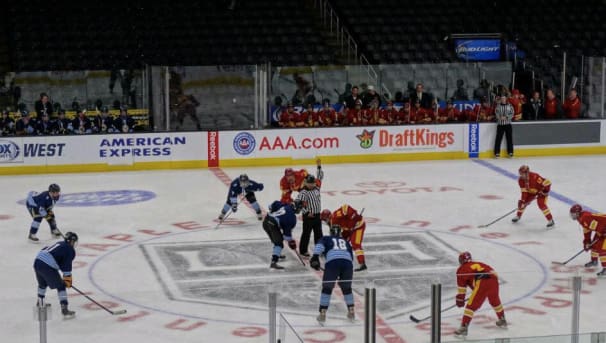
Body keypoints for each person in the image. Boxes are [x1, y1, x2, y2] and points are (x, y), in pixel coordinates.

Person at [453, 251, 507, 338]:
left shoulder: (461, 270)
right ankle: (502, 319)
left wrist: (460, 300)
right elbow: (494, 273)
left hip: (482, 282)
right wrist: (481, 290)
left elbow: (462, 289)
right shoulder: (479, 263)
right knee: (494, 301)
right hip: (494, 280)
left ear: (461, 260)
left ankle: (463, 328)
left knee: (470, 306)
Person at [310, 224, 355, 324]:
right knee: (347, 288)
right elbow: (351, 257)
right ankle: (351, 310)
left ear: (330, 232)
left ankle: (322, 313)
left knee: (327, 288)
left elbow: (319, 246)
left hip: (332, 262)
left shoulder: (326, 238)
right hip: (347, 263)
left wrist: (315, 257)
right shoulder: (346, 241)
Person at [34, 231, 78, 319]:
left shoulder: (60, 243)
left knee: (42, 284)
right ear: (72, 241)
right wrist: (67, 280)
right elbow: (66, 267)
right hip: (47, 265)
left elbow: (46, 250)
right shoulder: (69, 249)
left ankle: (40, 302)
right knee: (61, 286)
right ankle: (64, 309)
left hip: (37, 261)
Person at [321, 205, 367, 271]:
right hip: (348, 229)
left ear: (327, 218)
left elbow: (346, 207)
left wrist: (353, 216)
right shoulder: (332, 223)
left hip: (358, 227)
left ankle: (362, 264)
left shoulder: (335, 216)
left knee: (355, 244)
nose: (325, 222)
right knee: (340, 242)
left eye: (324, 220)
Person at [569, 204, 606, 276]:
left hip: (603, 229)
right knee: (593, 245)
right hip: (602, 229)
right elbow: (587, 230)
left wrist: (603, 233)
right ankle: (594, 261)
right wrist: (587, 242)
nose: (572, 216)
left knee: (601, 249)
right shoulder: (580, 218)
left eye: (573, 214)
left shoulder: (585, 218)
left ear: (578, 213)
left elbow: (599, 227)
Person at [295, 171, 324, 257]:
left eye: (313, 183)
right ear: (306, 183)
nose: (311, 185)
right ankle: (303, 251)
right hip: (308, 217)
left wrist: (319, 167)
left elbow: (319, 178)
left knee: (319, 233)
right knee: (306, 233)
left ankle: (320, 249)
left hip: (317, 215)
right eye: (309, 183)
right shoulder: (303, 192)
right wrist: (306, 212)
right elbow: (297, 204)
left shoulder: (317, 188)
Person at [262, 200, 297, 270]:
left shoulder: (284, 204)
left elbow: (272, 205)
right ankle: (274, 262)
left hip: (265, 221)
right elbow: (286, 236)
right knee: (279, 243)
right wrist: (291, 242)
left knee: (276, 240)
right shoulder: (292, 217)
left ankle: (278, 253)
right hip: (272, 224)